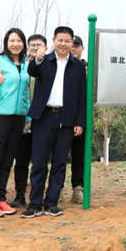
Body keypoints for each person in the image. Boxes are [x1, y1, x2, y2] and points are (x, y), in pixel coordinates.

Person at [23, 26, 87, 218]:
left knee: (59, 162)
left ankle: (51, 203)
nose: (63, 44)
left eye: (67, 41)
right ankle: (35, 203)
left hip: (66, 118)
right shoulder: (44, 60)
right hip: (44, 116)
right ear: (53, 40)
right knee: (39, 161)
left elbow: (82, 96)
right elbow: (32, 71)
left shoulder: (78, 66)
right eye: (60, 40)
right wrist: (38, 58)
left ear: (72, 43)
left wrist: (79, 122)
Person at [0, 28, 31, 218]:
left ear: (23, 44)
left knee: (7, 160)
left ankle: (1, 198)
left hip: (18, 118)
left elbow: (25, 93)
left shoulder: (25, 64)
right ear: (6, 43)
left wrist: (27, 116)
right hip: (0, 116)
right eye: (12, 41)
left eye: (19, 41)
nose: (16, 44)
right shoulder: (0, 61)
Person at [12, 33, 46, 207]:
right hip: (23, 120)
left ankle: (39, 194)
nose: (35, 47)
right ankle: (20, 195)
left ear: (45, 47)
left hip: (43, 120)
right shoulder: (21, 66)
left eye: (39, 45)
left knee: (41, 160)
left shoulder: (49, 65)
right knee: (22, 160)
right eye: (32, 44)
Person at [67, 35, 87, 204]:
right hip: (61, 117)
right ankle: (57, 188)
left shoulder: (88, 69)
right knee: (59, 155)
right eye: (71, 44)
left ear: (82, 48)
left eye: (77, 45)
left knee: (79, 155)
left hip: (81, 117)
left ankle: (78, 188)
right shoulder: (59, 66)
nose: (73, 48)